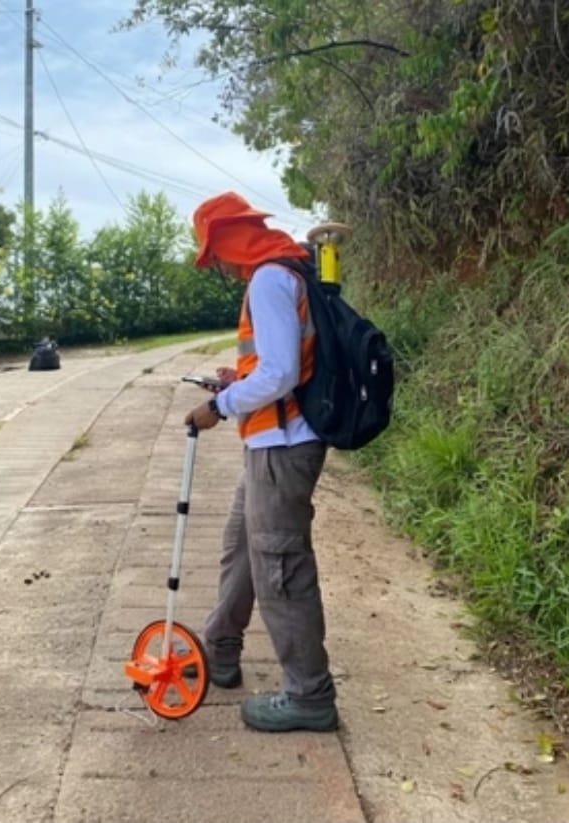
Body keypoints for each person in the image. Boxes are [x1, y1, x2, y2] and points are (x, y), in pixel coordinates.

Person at [183, 192, 338, 733]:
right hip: (271, 443)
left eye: (215, 256)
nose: (220, 268)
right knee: (244, 549)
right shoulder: (286, 269)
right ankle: (221, 648)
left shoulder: (270, 278)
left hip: (283, 445)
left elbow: (280, 374)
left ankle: (309, 696)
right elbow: (277, 366)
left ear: (231, 240)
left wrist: (219, 406)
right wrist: (238, 381)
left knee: (280, 568)